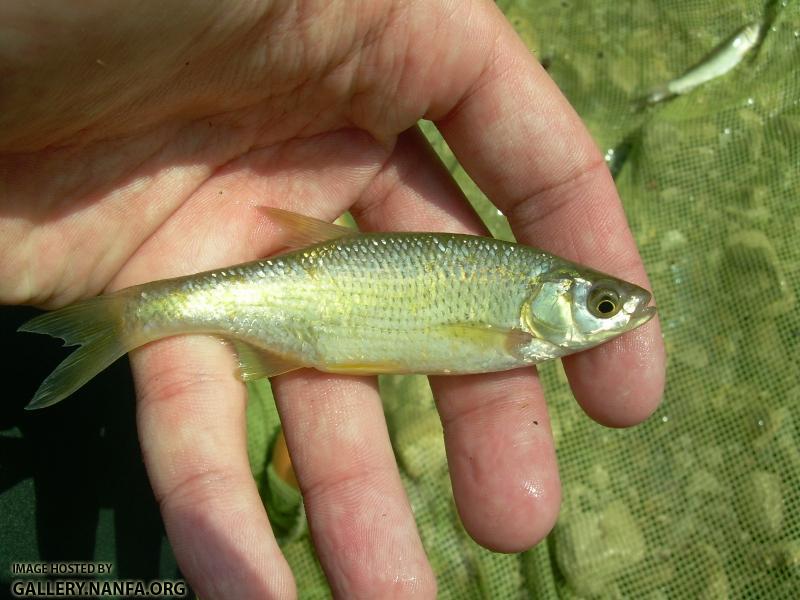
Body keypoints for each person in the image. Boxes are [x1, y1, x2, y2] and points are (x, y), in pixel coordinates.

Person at [0, 1, 665, 597]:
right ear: (545, 298)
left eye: (601, 306)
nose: (614, 313)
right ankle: (163, 359)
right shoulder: (517, 323)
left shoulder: (520, 314)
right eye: (600, 306)